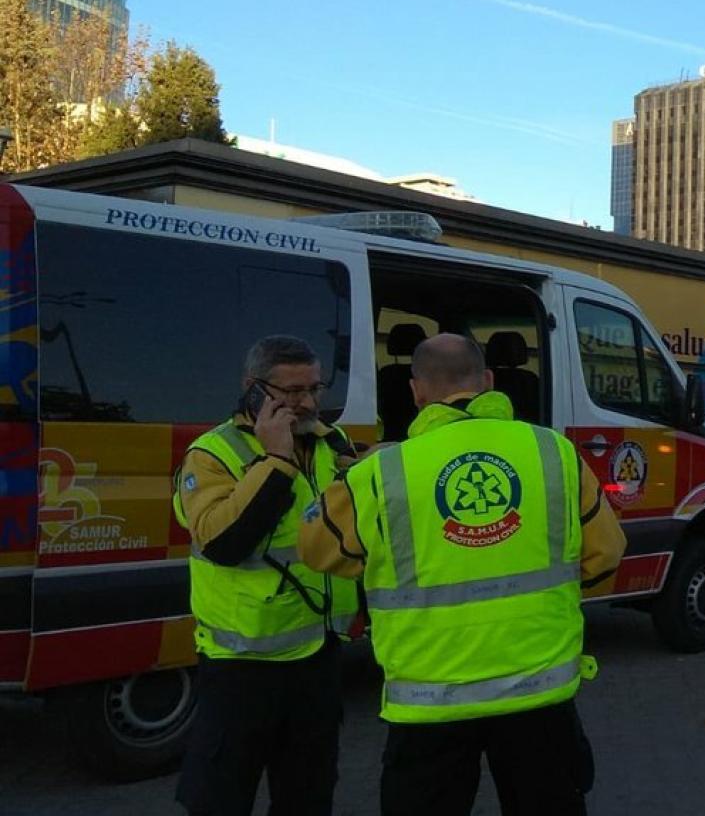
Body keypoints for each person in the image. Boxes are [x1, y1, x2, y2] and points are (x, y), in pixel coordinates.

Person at [299, 333, 626, 816]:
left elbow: (317, 551)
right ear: (489, 382)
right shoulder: (552, 452)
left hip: (430, 701)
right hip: (537, 693)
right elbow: (607, 554)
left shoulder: (384, 471)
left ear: (416, 392)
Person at [173, 335, 363, 816]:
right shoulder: (213, 453)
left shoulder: (329, 442)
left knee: (309, 791)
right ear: (252, 389)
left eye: (314, 389)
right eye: (291, 391)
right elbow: (223, 543)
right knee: (220, 796)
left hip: (317, 653)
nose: (307, 402)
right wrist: (275, 461)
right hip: (242, 664)